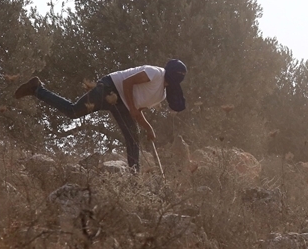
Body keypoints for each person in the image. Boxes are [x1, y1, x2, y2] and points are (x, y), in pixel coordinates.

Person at [14, 60, 187, 172]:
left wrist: (148, 128)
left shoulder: (161, 96)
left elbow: (138, 110)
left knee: (133, 139)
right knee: (73, 112)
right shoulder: (155, 72)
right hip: (109, 88)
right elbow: (127, 83)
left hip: (122, 104)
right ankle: (37, 89)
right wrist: (132, 108)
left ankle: (134, 180)